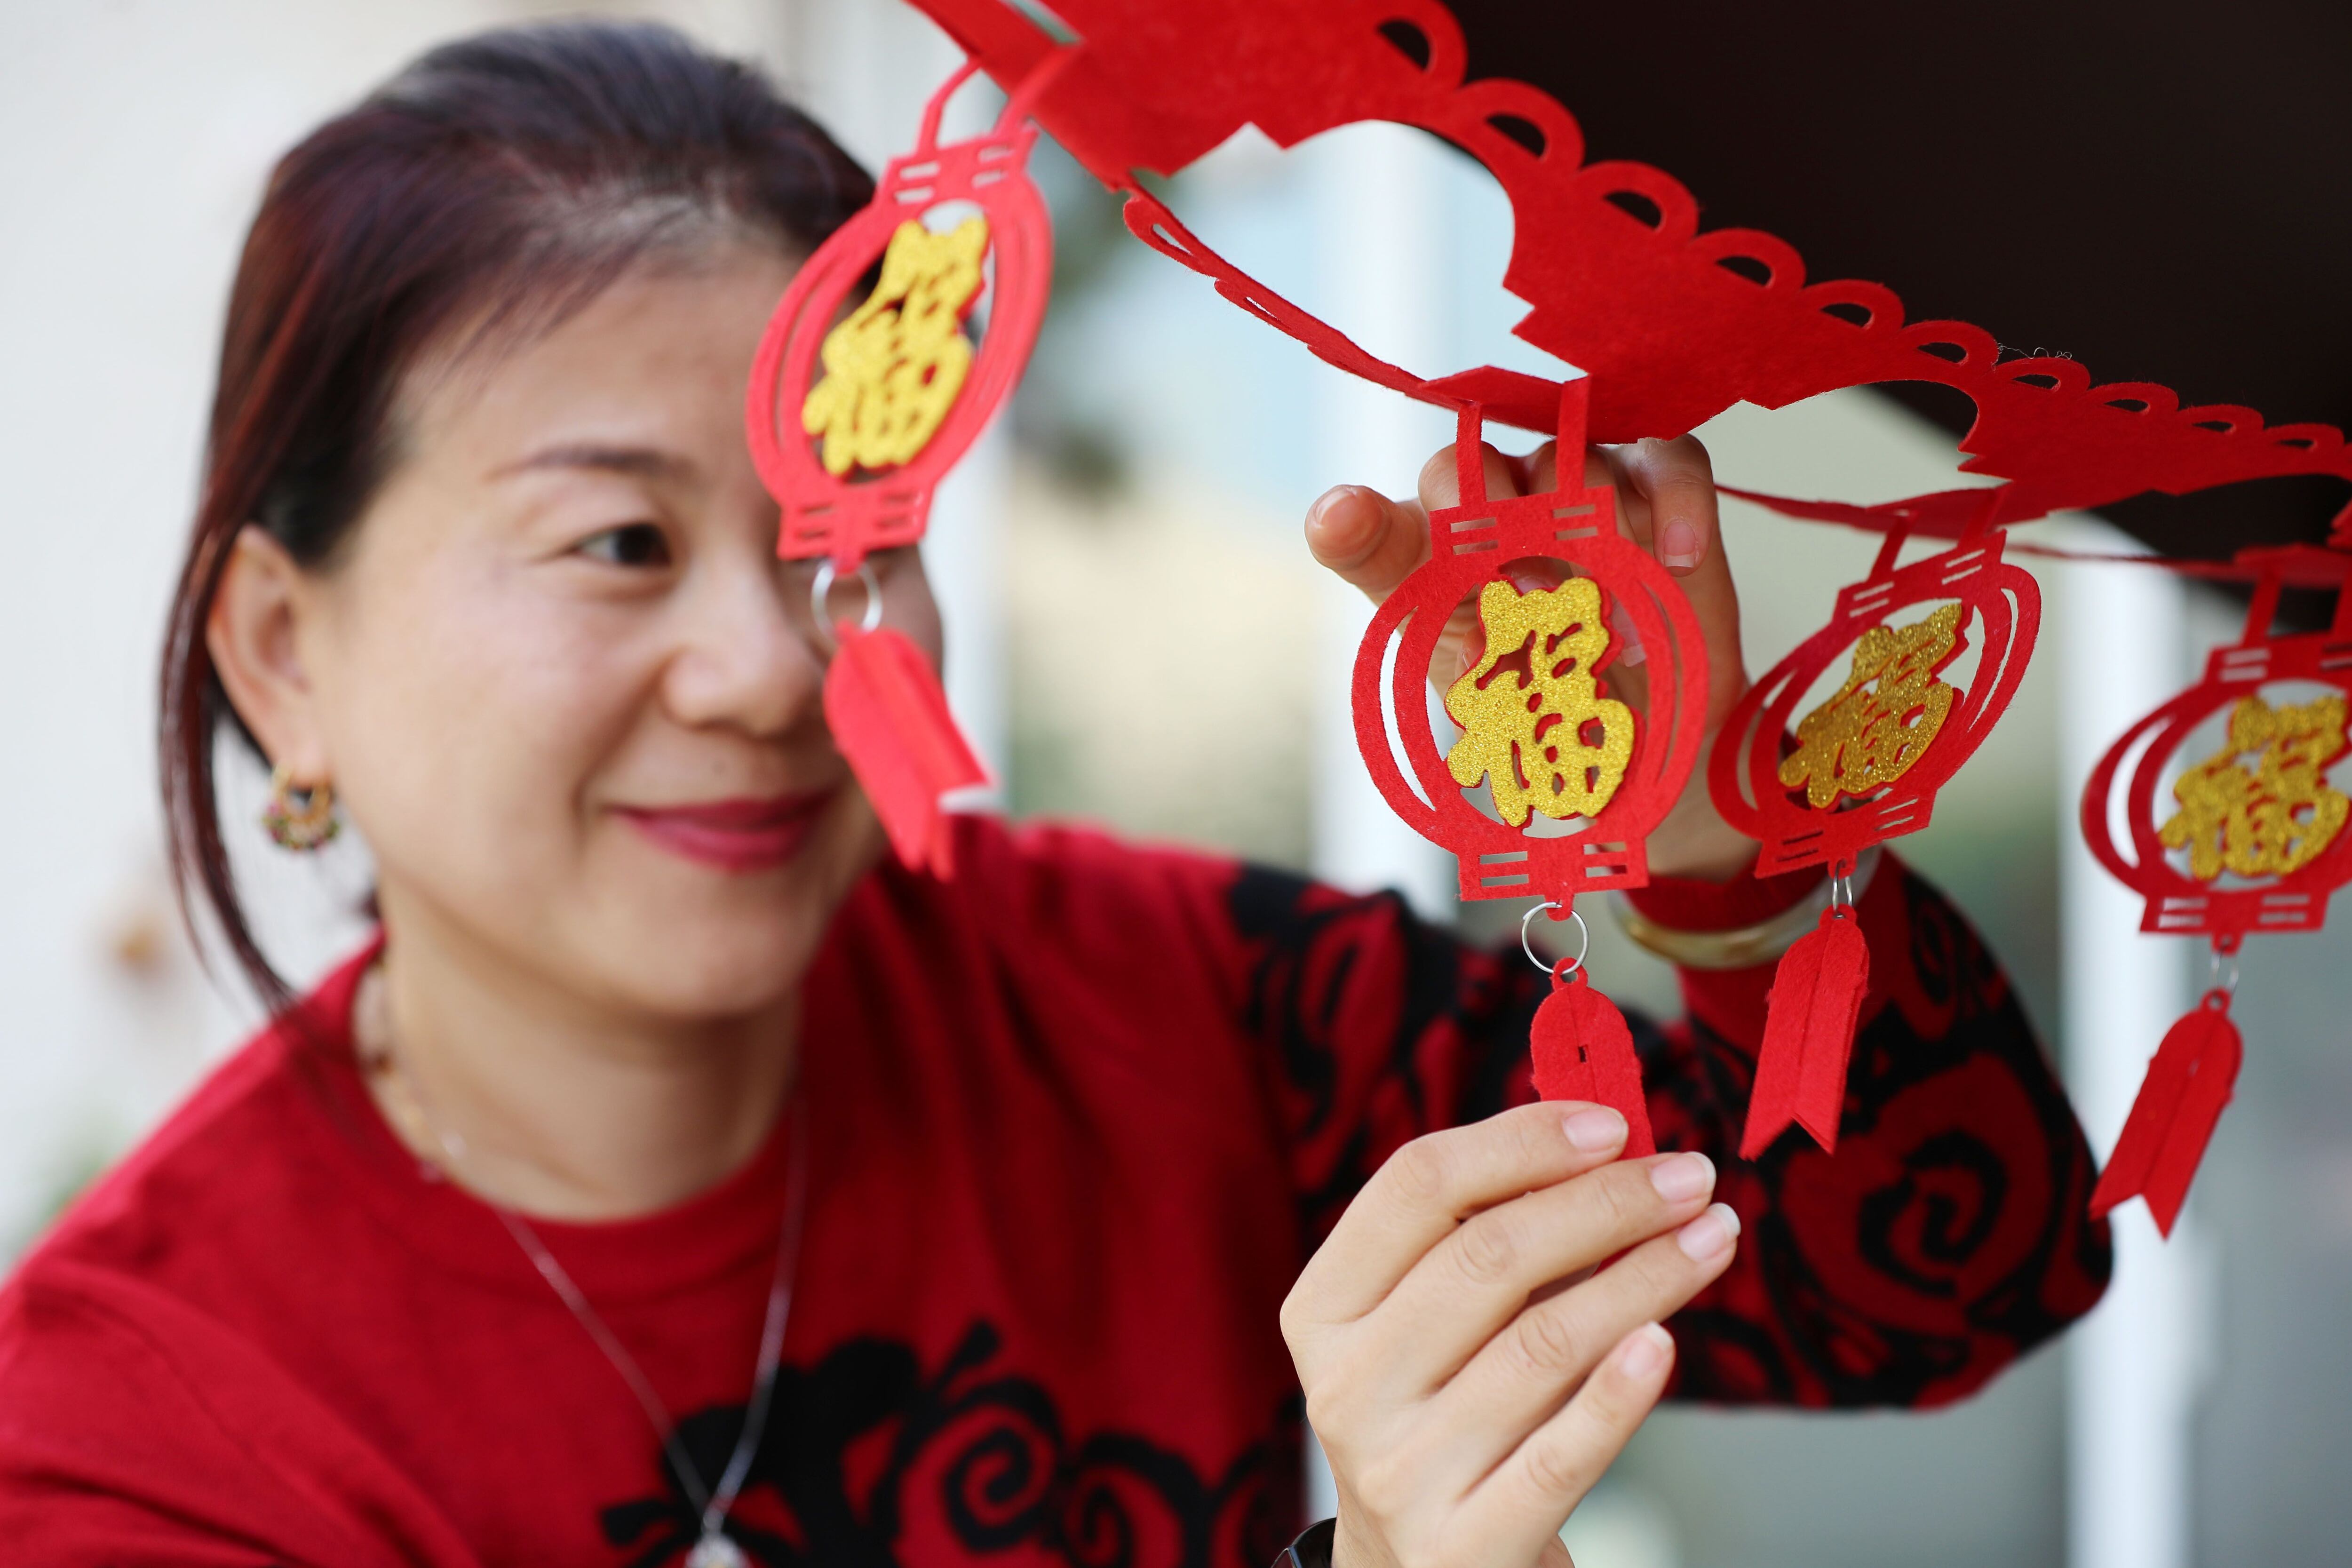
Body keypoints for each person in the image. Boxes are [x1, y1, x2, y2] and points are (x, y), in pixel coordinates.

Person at [0, 21, 2109, 1568]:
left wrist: (1694, 834)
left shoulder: (1168, 998)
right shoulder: (130, 1442)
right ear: (282, 649)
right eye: (618, 545)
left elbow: (1942, 1278)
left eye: (848, 540)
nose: (779, 669)